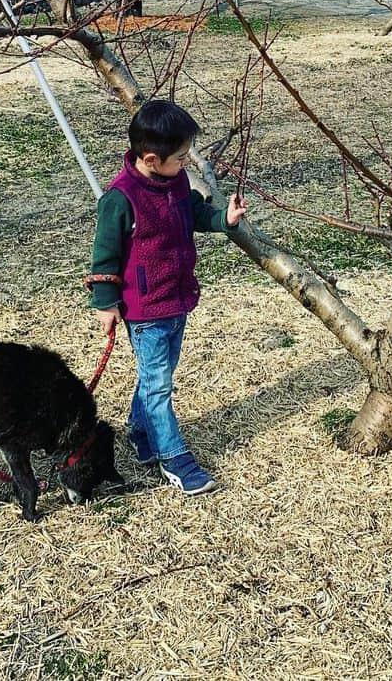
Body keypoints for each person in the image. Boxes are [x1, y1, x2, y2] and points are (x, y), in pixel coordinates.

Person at [87, 99, 247, 495]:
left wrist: (223, 220)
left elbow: (194, 214)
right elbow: (104, 255)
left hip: (177, 298)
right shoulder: (120, 199)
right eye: (180, 158)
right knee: (159, 386)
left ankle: (141, 431)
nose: (186, 165)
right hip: (145, 310)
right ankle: (174, 459)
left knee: (157, 375)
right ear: (152, 159)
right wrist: (106, 304)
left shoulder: (175, 183)